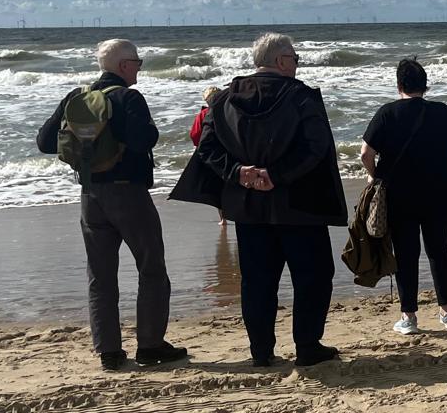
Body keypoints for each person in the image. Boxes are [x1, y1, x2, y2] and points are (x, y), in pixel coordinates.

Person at [170, 32, 345, 367]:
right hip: (299, 204)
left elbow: (207, 148)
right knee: (313, 276)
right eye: (294, 58)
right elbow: (316, 147)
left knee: (257, 281)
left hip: (248, 206)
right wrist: (275, 176)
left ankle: (261, 352)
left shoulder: (222, 101)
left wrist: (238, 172)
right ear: (281, 61)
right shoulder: (302, 97)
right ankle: (307, 346)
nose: (296, 64)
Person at [36, 38, 184, 371]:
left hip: (90, 195)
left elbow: (45, 142)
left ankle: (109, 352)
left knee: (100, 276)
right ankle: (149, 345)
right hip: (128, 193)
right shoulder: (128, 98)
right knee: (151, 268)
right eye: (137, 62)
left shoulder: (77, 97)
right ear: (123, 66)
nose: (139, 68)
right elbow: (145, 140)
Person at [361, 57, 447, 335]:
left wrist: (374, 176)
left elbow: (365, 154)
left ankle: (409, 317)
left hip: (401, 196)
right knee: (439, 250)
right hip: (441, 193)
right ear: (425, 85)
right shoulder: (442, 111)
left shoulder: (387, 113)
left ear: (399, 84)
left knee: (406, 254)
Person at [191, 85, 226, 225]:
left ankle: (223, 218)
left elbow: (194, 135)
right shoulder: (229, 110)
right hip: (230, 152)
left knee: (217, 188)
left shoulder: (204, 114)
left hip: (213, 155)